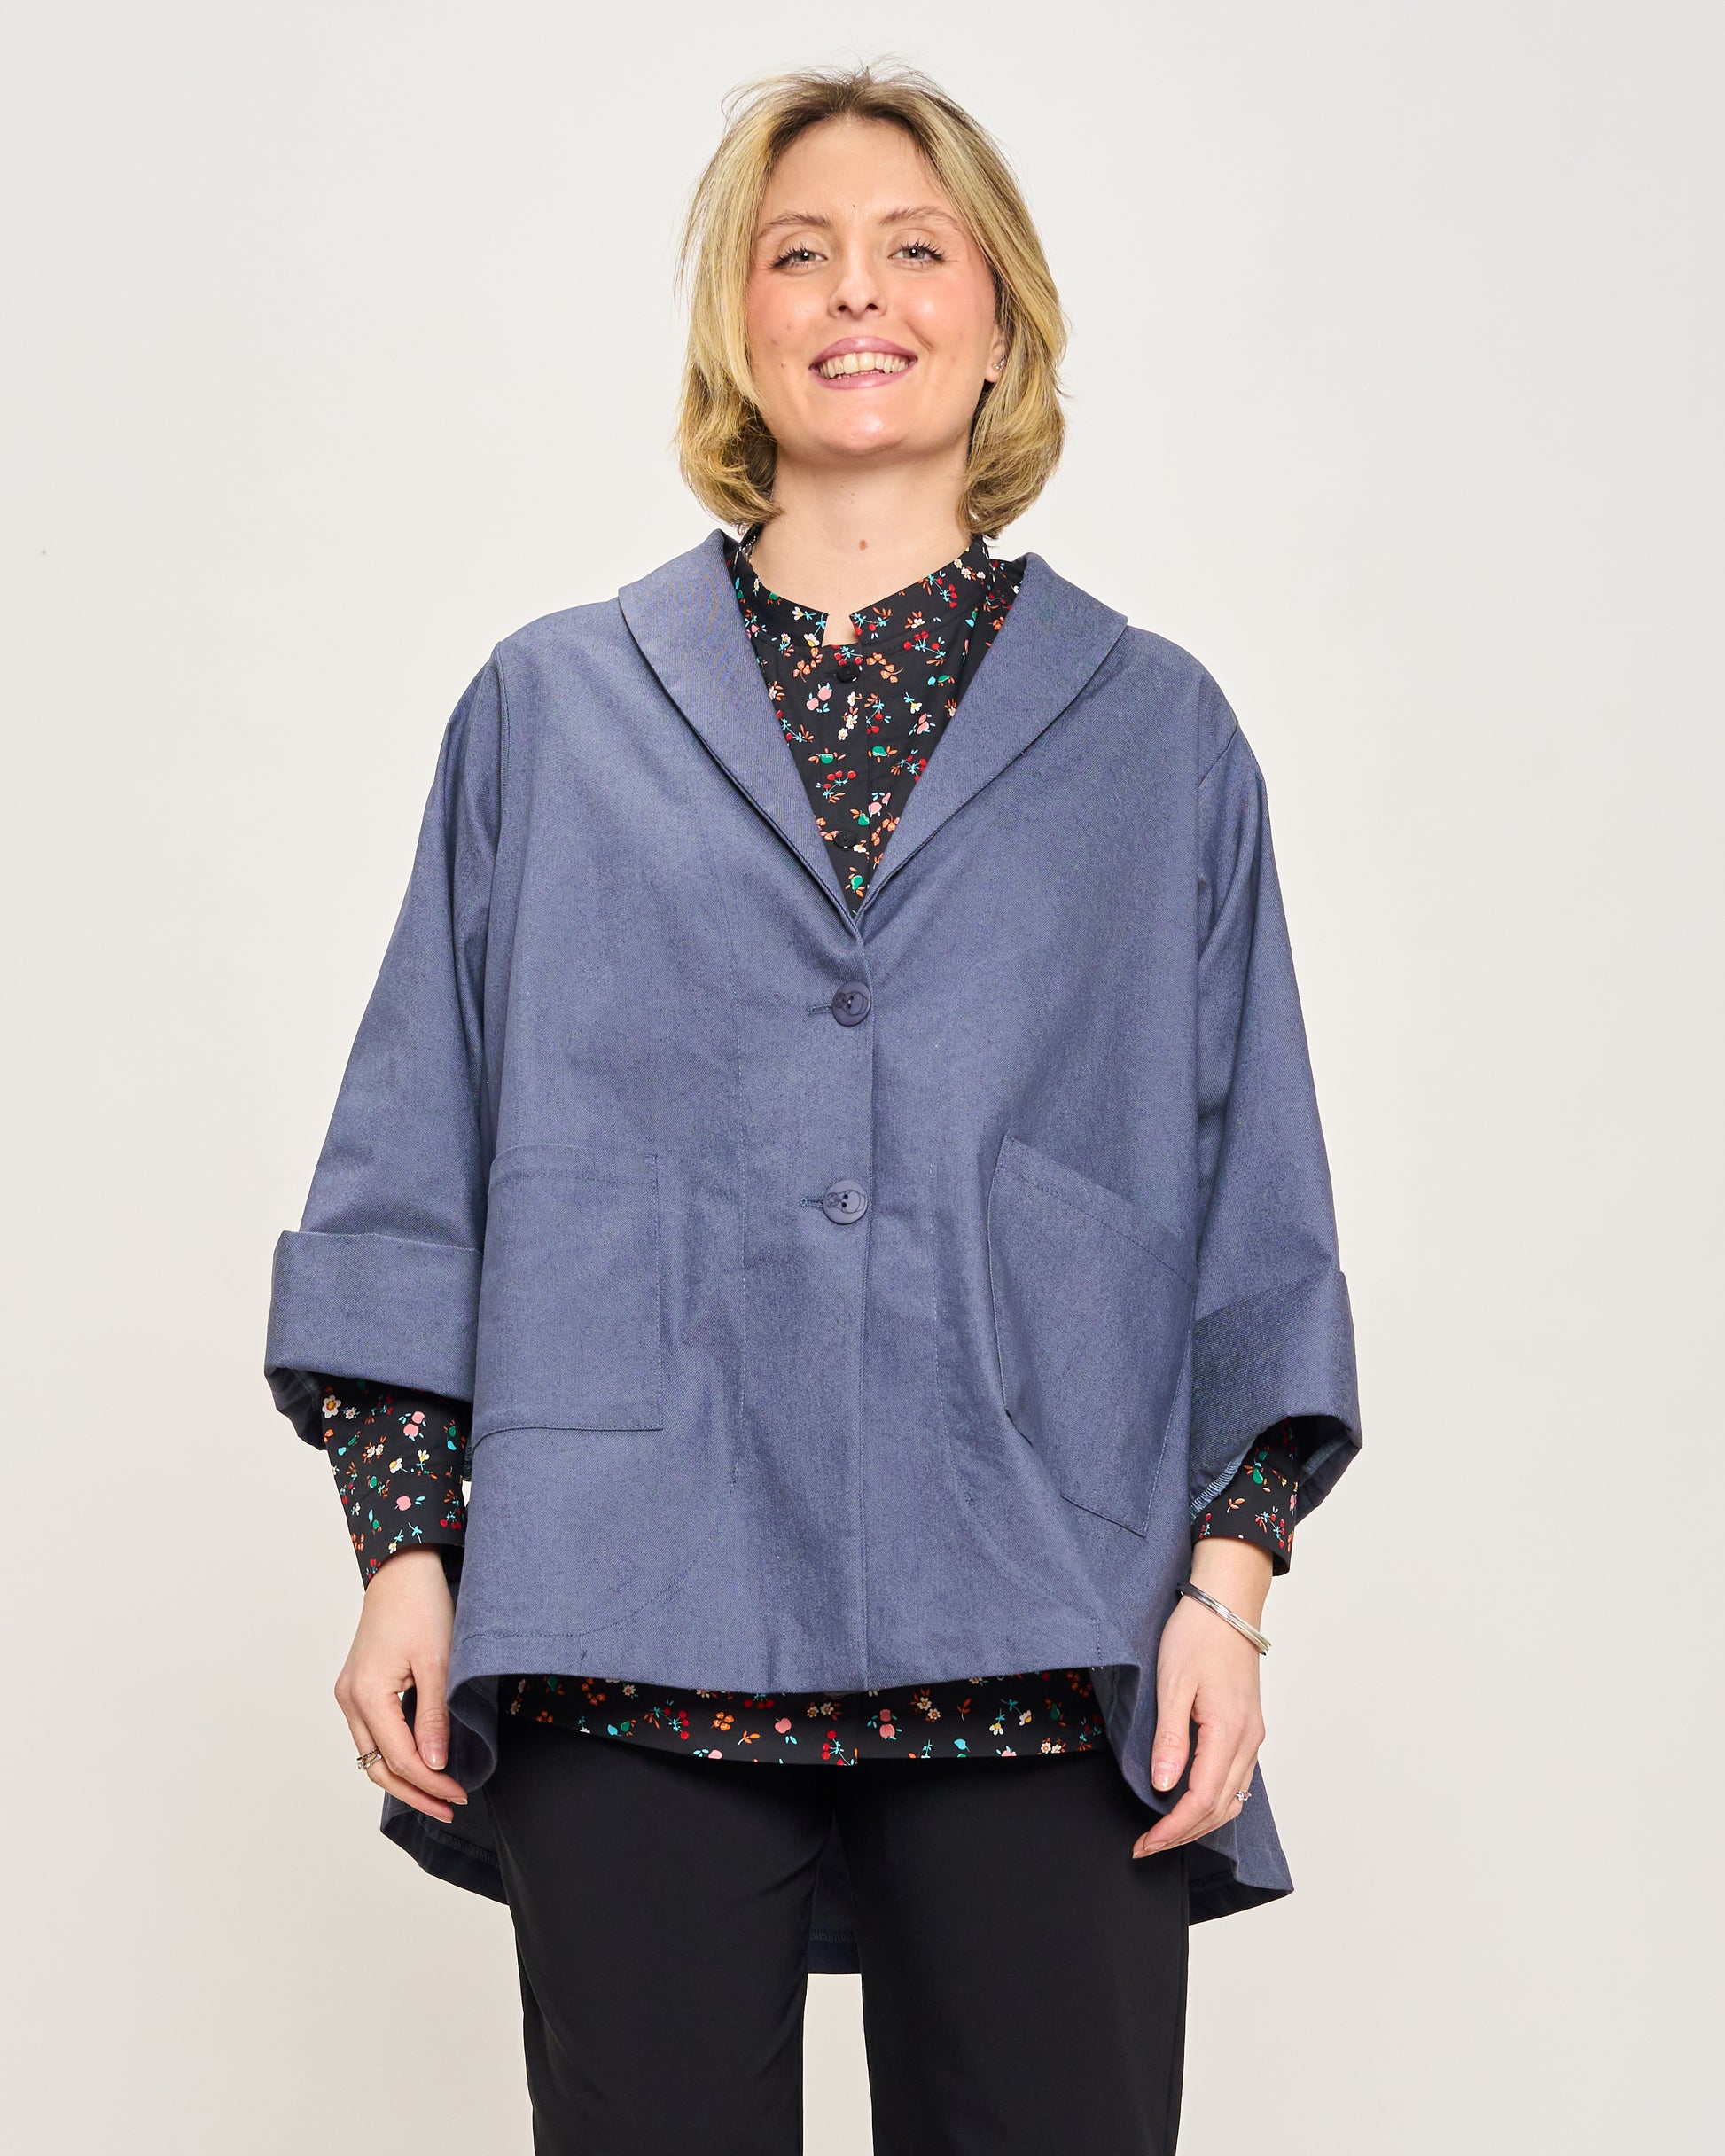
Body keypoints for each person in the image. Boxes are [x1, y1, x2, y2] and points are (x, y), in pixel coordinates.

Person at [265, 60, 1361, 2155]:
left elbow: (1256, 1200)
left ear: (998, 317)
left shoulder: (1158, 739)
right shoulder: (548, 713)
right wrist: (408, 1549)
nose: (856, 292)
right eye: (798, 253)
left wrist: (1227, 1583)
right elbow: (412, 1158)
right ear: (737, 322)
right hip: (628, 1602)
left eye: (912, 248)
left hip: (1041, 1596)